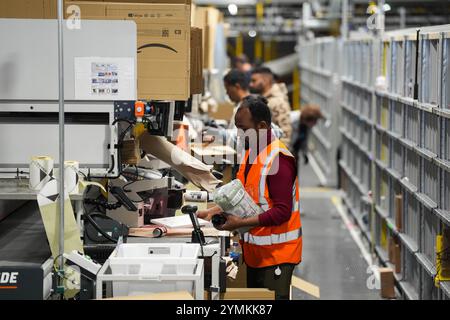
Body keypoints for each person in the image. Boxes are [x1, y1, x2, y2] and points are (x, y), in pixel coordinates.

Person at [197, 96, 302, 300]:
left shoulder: (278, 159)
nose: (239, 134)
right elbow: (244, 195)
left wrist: (240, 223)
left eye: (243, 128)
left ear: (262, 126)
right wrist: (212, 211)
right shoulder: (252, 152)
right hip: (256, 254)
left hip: (277, 257)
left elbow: (282, 212)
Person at [249, 67, 292, 146]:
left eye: (254, 81)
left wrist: (279, 156)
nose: (251, 84)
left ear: (266, 80)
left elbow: (285, 133)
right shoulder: (265, 99)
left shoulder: (277, 102)